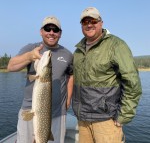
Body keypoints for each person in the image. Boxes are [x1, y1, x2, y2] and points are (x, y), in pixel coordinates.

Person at [72, 7, 142, 143]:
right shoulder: (78, 51)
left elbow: (133, 83)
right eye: (85, 21)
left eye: (93, 20)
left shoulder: (116, 45)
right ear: (81, 25)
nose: (89, 24)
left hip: (106, 120)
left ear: (101, 23)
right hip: (83, 119)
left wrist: (124, 115)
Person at [7, 16, 73, 143]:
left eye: (55, 30)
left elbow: (71, 75)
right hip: (29, 110)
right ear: (41, 31)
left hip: (58, 113)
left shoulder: (67, 54)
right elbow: (11, 66)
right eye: (48, 29)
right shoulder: (31, 48)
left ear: (60, 33)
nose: (51, 33)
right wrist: (30, 56)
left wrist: (68, 99)